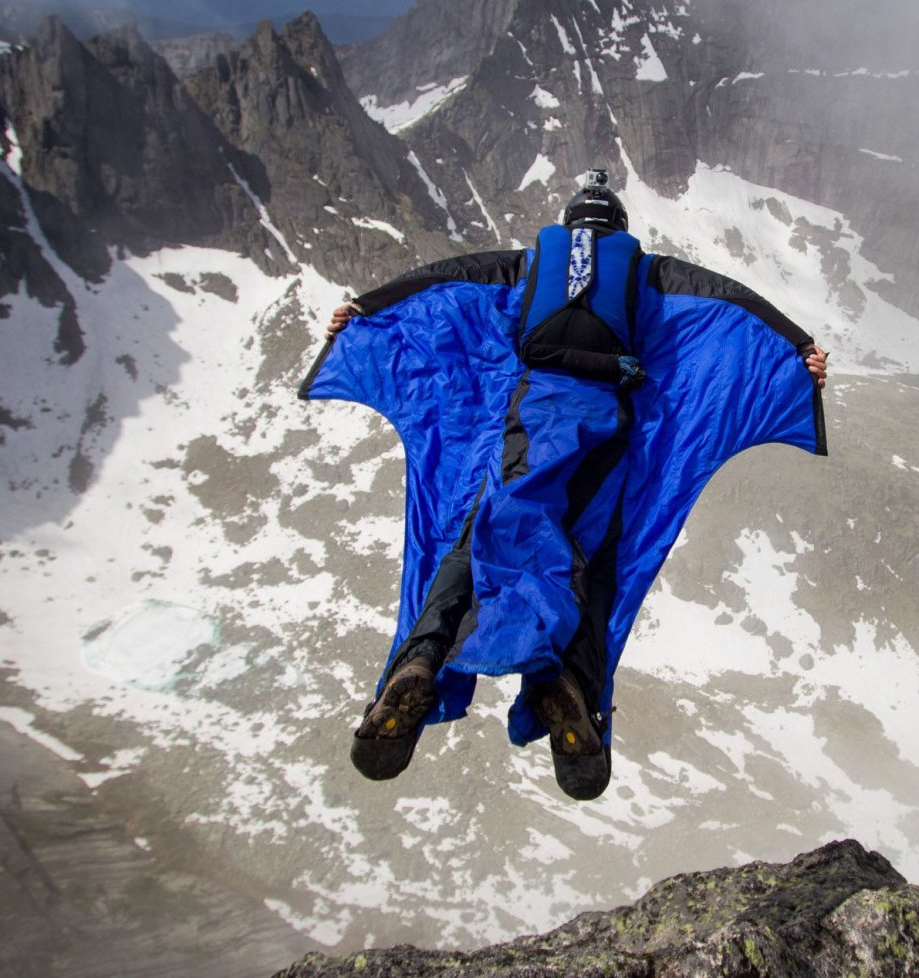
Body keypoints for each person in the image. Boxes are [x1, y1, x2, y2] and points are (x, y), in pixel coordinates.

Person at [301, 169, 827, 800]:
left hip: (529, 415)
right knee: (596, 558)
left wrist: (364, 312)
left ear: (571, 222)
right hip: (606, 422)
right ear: (619, 227)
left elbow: (442, 282)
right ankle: (574, 685)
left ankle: (420, 660)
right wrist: (799, 351)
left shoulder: (528, 265)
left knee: (479, 536)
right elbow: (730, 304)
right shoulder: (647, 273)